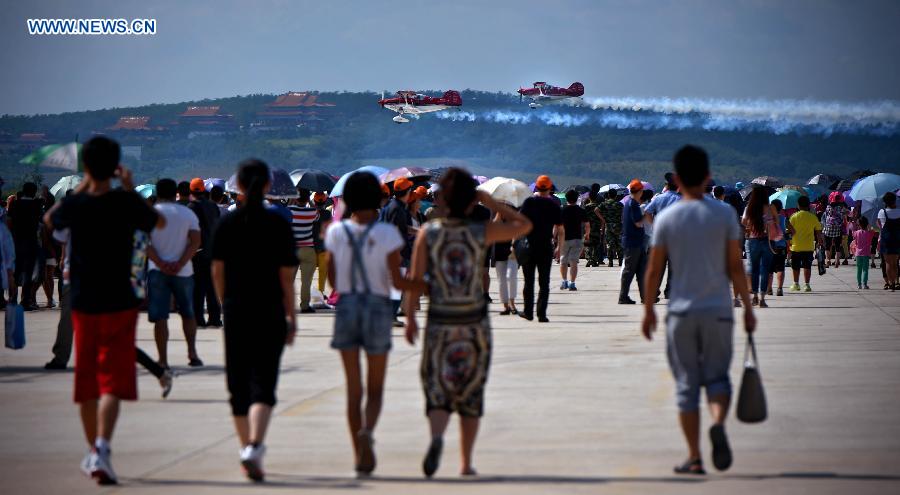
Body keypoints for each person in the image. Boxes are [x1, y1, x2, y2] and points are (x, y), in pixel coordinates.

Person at [46, 136, 164, 485]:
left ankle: (94, 452)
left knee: (87, 380)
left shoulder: (77, 203)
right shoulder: (125, 203)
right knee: (113, 378)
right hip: (120, 300)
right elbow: (155, 222)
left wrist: (84, 184)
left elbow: (51, 220)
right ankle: (102, 447)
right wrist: (127, 189)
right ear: (116, 167)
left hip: (84, 300)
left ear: (86, 167)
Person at [404, 168, 531, 478]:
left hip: (440, 319)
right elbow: (523, 226)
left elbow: (415, 279)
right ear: (471, 198)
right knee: (471, 389)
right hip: (473, 319)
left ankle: (436, 437)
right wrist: (492, 203)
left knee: (438, 385)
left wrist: (409, 318)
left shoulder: (428, 233)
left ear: (443, 197)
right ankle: (465, 462)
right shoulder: (480, 231)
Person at [642, 145, 755, 476]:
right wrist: (747, 306)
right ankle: (718, 423)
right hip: (718, 309)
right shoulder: (724, 214)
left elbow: (654, 270)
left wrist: (648, 310)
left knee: (687, 386)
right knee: (718, 378)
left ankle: (694, 457)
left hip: (681, 312)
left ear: (676, 179)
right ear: (708, 177)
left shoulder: (667, 218)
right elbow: (736, 266)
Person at [325, 171, 421, 476]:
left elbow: (332, 280)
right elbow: (396, 280)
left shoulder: (336, 233)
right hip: (378, 307)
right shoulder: (388, 235)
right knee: (376, 388)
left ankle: (359, 453)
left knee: (354, 389)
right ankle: (368, 430)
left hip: (348, 307)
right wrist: (424, 287)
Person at [211, 159, 298, 482]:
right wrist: (291, 316)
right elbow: (286, 278)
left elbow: (217, 271)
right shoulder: (277, 224)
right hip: (270, 309)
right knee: (264, 381)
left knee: (238, 383)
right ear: (266, 186)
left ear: (238, 186)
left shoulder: (227, 224)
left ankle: (245, 447)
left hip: (236, 309)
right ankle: (255, 446)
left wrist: (225, 304)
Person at [147, 179, 203, 368]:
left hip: (157, 271)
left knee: (160, 317)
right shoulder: (187, 212)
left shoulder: (151, 214)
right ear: (176, 193)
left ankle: (162, 360)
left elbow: (144, 244)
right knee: (188, 313)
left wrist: (161, 263)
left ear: (158, 192)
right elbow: (196, 240)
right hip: (184, 271)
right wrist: (180, 262)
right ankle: (192, 353)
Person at [518, 175, 562, 322]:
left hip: (529, 246)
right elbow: (560, 229)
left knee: (528, 281)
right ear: (550, 188)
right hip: (545, 247)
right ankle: (541, 314)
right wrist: (559, 247)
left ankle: (528, 312)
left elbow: (519, 223)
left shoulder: (529, 202)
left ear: (536, 187)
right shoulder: (553, 205)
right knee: (544, 282)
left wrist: (514, 243)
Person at [187, 178, 222, 327]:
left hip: (198, 252)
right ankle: (214, 318)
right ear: (204, 190)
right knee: (212, 288)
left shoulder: (191, 207)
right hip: (212, 252)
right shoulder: (213, 206)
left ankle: (198, 319)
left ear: (191, 191)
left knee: (198, 289)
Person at [380, 178, 414, 323]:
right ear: (407, 192)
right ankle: (391, 316)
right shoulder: (397, 209)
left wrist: (419, 231)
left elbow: (402, 227)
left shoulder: (394, 206)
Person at [643, 173, 681, 299]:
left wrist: (654, 225)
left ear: (666, 186)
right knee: (673, 267)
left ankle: (654, 291)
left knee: (657, 267)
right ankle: (669, 291)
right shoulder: (681, 199)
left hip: (659, 237)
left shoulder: (658, 198)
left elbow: (647, 212)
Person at [9, 181, 43, 310]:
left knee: (16, 271)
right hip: (31, 241)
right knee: (28, 272)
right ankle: (25, 300)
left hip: (16, 241)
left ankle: (12, 299)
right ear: (34, 192)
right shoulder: (36, 204)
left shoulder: (15, 204)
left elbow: (10, 222)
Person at [742, 187, 776, 308]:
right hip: (767, 241)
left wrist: (751, 226)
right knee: (765, 270)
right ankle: (762, 299)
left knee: (754, 269)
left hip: (753, 240)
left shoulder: (749, 208)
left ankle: (755, 296)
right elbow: (775, 223)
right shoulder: (770, 208)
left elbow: (744, 222)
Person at [288, 187, 319, 313]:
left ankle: (287, 305)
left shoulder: (289, 211)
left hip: (293, 250)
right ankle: (305, 305)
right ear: (307, 199)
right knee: (306, 281)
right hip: (308, 248)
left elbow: (286, 209)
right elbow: (317, 214)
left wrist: (292, 199)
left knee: (289, 280)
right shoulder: (312, 212)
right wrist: (309, 202)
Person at [787, 195, 824, 292]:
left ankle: (796, 284)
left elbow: (789, 231)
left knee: (795, 266)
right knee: (807, 266)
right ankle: (807, 285)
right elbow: (818, 231)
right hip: (808, 247)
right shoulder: (813, 217)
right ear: (808, 206)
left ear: (798, 205)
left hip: (796, 246)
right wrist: (820, 241)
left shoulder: (794, 217)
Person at [619, 180, 647, 304]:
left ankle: (645, 296)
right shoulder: (633, 205)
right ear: (640, 192)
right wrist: (647, 214)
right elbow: (638, 223)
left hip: (635, 242)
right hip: (633, 242)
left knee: (641, 271)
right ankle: (623, 296)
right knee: (630, 270)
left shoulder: (628, 204)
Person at [559, 189, 589, 291]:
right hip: (577, 238)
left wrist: (554, 236)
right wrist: (587, 234)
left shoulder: (562, 210)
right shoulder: (581, 211)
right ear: (577, 199)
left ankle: (564, 281)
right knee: (574, 262)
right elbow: (587, 225)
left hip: (564, 239)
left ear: (566, 199)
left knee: (563, 261)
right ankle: (572, 283)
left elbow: (558, 226)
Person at [493, 210, 519, 315]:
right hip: (499, 250)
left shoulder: (516, 214)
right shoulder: (496, 214)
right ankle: (505, 306)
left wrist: (513, 244)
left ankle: (512, 303)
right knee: (501, 279)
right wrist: (498, 214)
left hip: (513, 251)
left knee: (511, 276)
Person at [877, 192, 900, 290]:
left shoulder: (882, 212)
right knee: (895, 262)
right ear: (894, 200)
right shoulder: (899, 211)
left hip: (886, 240)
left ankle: (891, 283)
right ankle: (895, 281)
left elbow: (879, 224)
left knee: (888, 263)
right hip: (897, 239)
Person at [767, 199, 788, 296]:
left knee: (769, 269)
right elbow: (792, 231)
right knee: (780, 268)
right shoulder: (784, 218)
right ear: (780, 208)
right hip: (781, 246)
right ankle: (779, 289)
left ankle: (769, 289)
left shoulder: (767, 219)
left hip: (770, 246)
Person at [597, 189, 624, 267]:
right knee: (619, 244)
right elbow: (623, 214)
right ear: (616, 195)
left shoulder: (604, 204)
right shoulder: (620, 204)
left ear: (608, 195)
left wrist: (603, 219)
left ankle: (610, 262)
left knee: (609, 244)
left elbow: (596, 210)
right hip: (618, 226)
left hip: (608, 226)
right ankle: (620, 261)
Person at [823, 192, 848, 268]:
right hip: (838, 227)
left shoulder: (828, 207)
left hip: (828, 227)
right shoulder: (842, 207)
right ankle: (837, 261)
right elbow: (845, 216)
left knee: (827, 245)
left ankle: (828, 260)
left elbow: (825, 216)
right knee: (837, 246)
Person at [583, 188, 606, 267]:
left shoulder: (586, 207)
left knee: (587, 244)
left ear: (589, 197)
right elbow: (602, 218)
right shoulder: (599, 207)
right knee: (596, 244)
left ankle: (589, 259)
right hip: (596, 227)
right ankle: (594, 260)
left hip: (588, 227)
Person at [853, 216, 876, 290]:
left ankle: (859, 284)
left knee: (859, 270)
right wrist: (869, 226)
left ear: (859, 224)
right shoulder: (869, 233)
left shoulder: (856, 233)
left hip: (858, 254)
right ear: (867, 224)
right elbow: (873, 230)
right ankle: (865, 284)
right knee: (865, 269)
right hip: (866, 253)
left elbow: (855, 242)